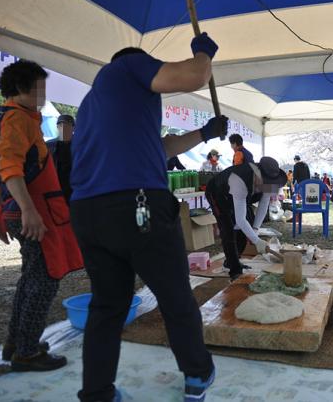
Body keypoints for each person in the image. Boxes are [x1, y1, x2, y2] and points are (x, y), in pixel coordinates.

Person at [69, 33, 224, 402]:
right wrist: (203, 53)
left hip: (90, 214)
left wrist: (203, 134)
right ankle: (198, 374)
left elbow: (161, 147)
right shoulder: (126, 67)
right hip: (136, 206)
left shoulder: (93, 106)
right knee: (174, 296)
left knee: (107, 306)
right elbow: (194, 76)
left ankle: (97, 393)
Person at [0, 60, 83, 372]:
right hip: (33, 211)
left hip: (24, 209)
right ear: (23, 89)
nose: (43, 94)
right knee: (44, 280)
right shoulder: (16, 120)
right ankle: (26, 352)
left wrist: (2, 213)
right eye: (39, 87)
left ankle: (17, 342)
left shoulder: (11, 118)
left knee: (31, 279)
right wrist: (27, 211)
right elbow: (9, 168)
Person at [206, 157, 286, 280]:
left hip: (241, 197)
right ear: (258, 175)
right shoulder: (239, 180)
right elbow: (240, 220)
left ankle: (232, 261)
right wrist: (257, 241)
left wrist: (255, 229)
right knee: (228, 228)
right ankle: (234, 270)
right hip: (218, 193)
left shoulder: (270, 181)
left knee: (246, 228)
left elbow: (264, 204)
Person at [46, 114, 75, 203]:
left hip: (73, 189)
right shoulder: (48, 145)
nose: (63, 127)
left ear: (73, 128)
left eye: (66, 125)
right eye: (60, 125)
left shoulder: (81, 145)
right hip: (54, 187)